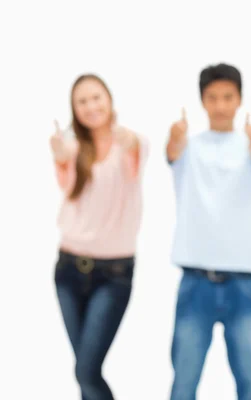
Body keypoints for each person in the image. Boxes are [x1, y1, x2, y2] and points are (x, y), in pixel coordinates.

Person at [166, 63, 251, 400]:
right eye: (213, 97)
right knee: (183, 383)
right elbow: (171, 154)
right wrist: (174, 138)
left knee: (249, 385)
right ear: (202, 100)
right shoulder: (187, 146)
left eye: (228, 97)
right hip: (195, 280)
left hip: (242, 282)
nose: (221, 105)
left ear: (239, 99)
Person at [51, 73, 148, 400]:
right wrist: (60, 157)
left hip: (114, 274)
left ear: (109, 100)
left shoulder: (130, 143)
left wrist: (125, 136)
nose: (90, 106)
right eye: (82, 101)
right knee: (84, 371)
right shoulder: (73, 147)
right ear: (74, 110)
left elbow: (137, 146)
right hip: (67, 269)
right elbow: (67, 187)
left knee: (87, 371)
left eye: (96, 98)